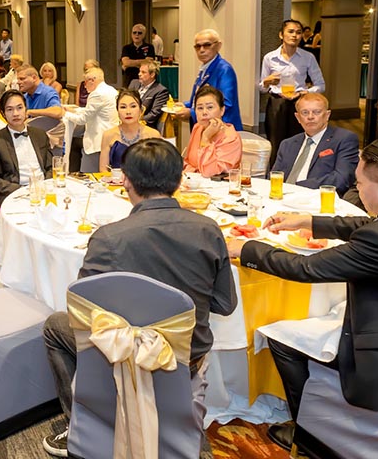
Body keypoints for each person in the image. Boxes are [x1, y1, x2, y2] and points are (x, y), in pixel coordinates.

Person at [41, 139, 237, 457]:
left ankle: (78, 425)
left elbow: (83, 315)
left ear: (126, 182)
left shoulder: (107, 237)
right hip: (184, 359)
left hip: (123, 357)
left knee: (55, 326)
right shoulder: (209, 229)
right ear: (179, 181)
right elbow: (225, 305)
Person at [227, 139, 378, 452]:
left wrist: (247, 248)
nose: (357, 191)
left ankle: (310, 437)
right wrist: (307, 221)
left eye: (360, 184)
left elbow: (306, 268)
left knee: (280, 338)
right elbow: (370, 224)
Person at [260, 19, 325, 165]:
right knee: (275, 142)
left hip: (299, 102)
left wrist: (303, 92)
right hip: (277, 102)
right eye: (290, 31)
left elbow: (321, 85)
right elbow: (262, 87)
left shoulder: (308, 57)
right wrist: (267, 82)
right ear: (281, 35)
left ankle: (298, 174)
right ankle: (276, 174)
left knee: (299, 141)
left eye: (298, 32)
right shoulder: (270, 58)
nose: (294, 35)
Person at [270, 93, 359, 194]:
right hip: (281, 197)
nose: (310, 117)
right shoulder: (287, 144)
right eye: (305, 112)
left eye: (317, 112)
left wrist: (297, 187)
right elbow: (274, 177)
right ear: (298, 117)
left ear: (327, 115)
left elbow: (342, 179)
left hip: (317, 198)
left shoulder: (344, 139)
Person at [0, 90, 53, 208]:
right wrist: (23, 190)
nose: (15, 113)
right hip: (14, 195)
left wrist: (45, 186)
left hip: (43, 192)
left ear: (26, 110)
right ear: (3, 113)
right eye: (9, 109)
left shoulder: (40, 134)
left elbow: (50, 167)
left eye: (19, 108)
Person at [178, 29, 242, 130]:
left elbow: (225, 103)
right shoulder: (205, 67)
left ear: (218, 46)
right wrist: (185, 105)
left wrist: (192, 112)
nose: (202, 50)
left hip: (222, 128)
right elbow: (201, 96)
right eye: (198, 46)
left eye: (207, 45)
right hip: (207, 127)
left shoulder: (224, 69)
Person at [63, 67, 118, 172]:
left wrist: (65, 114)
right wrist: (75, 110)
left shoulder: (96, 94)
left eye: (85, 82)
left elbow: (82, 120)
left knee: (88, 175)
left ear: (92, 80)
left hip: (97, 142)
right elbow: (95, 112)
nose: (84, 86)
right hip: (111, 137)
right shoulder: (112, 90)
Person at [184, 85, 242, 177]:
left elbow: (209, 172)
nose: (204, 112)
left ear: (222, 110)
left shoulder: (231, 138)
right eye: (200, 108)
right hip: (193, 182)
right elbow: (188, 162)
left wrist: (206, 138)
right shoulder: (198, 128)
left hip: (219, 184)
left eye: (210, 107)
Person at [98, 89, 162, 171]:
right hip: (116, 178)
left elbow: (159, 168)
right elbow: (103, 169)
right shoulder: (108, 135)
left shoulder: (153, 135)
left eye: (133, 106)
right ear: (117, 111)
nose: (128, 112)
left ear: (141, 110)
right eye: (123, 107)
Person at [128, 59, 171, 129]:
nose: (139, 74)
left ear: (152, 74)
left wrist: (135, 121)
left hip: (145, 127)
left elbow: (153, 114)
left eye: (143, 72)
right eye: (139, 71)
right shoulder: (134, 83)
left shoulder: (160, 91)